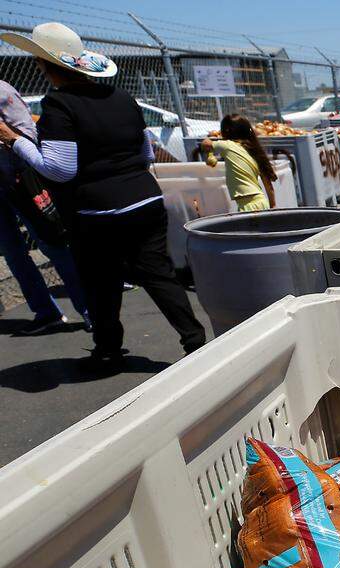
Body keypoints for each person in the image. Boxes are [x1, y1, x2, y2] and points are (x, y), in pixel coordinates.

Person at [0, 22, 206, 371]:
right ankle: (195, 340)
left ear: (45, 66)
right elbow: (145, 153)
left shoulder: (59, 105)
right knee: (158, 274)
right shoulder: (122, 98)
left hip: (96, 212)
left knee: (100, 282)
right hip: (145, 199)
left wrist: (14, 139)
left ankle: (108, 348)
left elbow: (59, 170)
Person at [0, 78, 88, 335]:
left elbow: (27, 132)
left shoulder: (2, 90)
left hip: (20, 181)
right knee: (12, 252)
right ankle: (46, 312)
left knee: (52, 245)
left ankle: (89, 310)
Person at [199, 114, 276, 212]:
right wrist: (273, 205)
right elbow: (267, 183)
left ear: (226, 131)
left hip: (248, 206)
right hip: (261, 202)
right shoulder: (253, 150)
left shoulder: (227, 146)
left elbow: (206, 143)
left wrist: (208, 147)